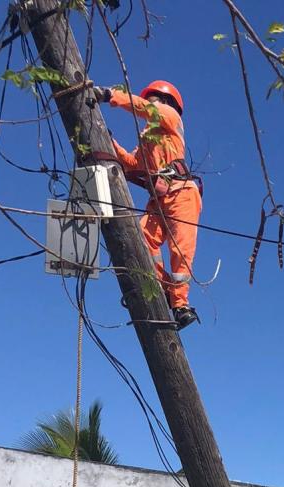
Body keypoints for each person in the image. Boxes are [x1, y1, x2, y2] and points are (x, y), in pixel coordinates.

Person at [93, 80, 201, 331]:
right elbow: (132, 164)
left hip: (181, 193)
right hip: (159, 200)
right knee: (141, 238)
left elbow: (145, 109)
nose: (148, 105)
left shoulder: (170, 118)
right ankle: (163, 287)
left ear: (164, 102)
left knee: (180, 251)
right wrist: (109, 142)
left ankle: (180, 304)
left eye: (152, 100)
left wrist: (111, 95)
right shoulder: (149, 138)